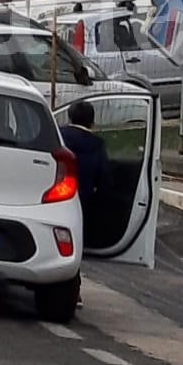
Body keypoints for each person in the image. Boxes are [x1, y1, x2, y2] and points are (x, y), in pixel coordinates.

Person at [58, 101, 110, 310]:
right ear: (93, 122)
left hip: (54, 198)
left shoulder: (58, 136)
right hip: (81, 202)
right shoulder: (97, 145)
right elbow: (105, 180)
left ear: (69, 117)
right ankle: (73, 290)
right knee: (75, 248)